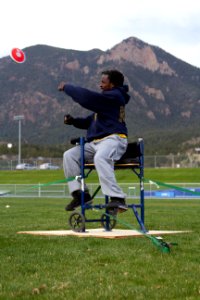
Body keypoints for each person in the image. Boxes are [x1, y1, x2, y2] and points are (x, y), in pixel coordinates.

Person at [58, 69, 130, 212]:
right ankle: (81, 194)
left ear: (113, 85)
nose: (100, 85)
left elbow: (86, 98)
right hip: (96, 143)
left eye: (103, 82)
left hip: (114, 139)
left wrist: (68, 87)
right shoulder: (105, 104)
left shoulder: (114, 97)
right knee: (69, 156)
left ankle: (118, 199)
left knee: (101, 157)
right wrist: (74, 121)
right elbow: (88, 122)